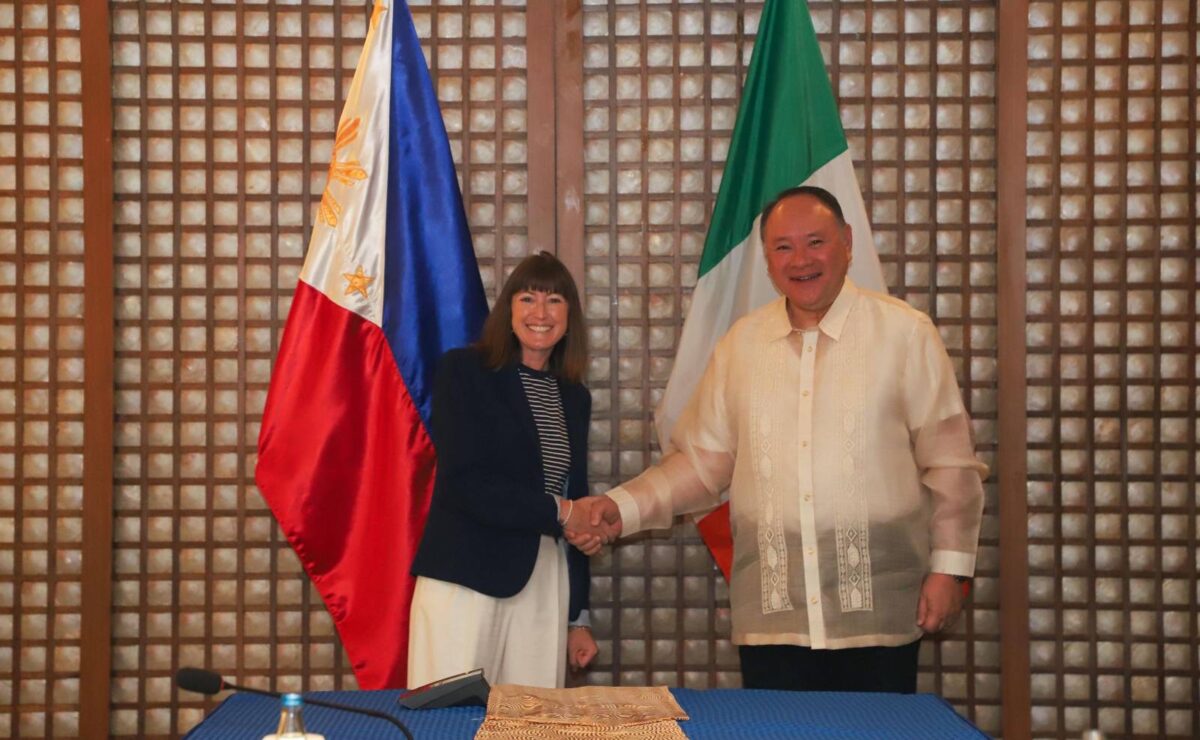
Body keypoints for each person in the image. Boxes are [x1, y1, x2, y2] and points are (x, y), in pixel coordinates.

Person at [579, 186, 987, 693]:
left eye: (815, 242)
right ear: (768, 261)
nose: (801, 260)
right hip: (773, 617)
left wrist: (950, 569)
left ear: (847, 242)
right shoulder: (742, 345)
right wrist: (623, 508)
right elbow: (704, 465)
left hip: (880, 613)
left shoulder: (905, 335)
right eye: (783, 247)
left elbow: (951, 466)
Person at [408, 251, 602, 689]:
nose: (540, 312)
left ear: (569, 316)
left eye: (554, 300)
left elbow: (576, 496)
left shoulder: (574, 397)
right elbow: (465, 483)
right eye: (527, 298)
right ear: (508, 310)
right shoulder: (464, 372)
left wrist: (578, 617)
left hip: (544, 582)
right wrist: (563, 512)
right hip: (466, 577)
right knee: (449, 721)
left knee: (531, 723)